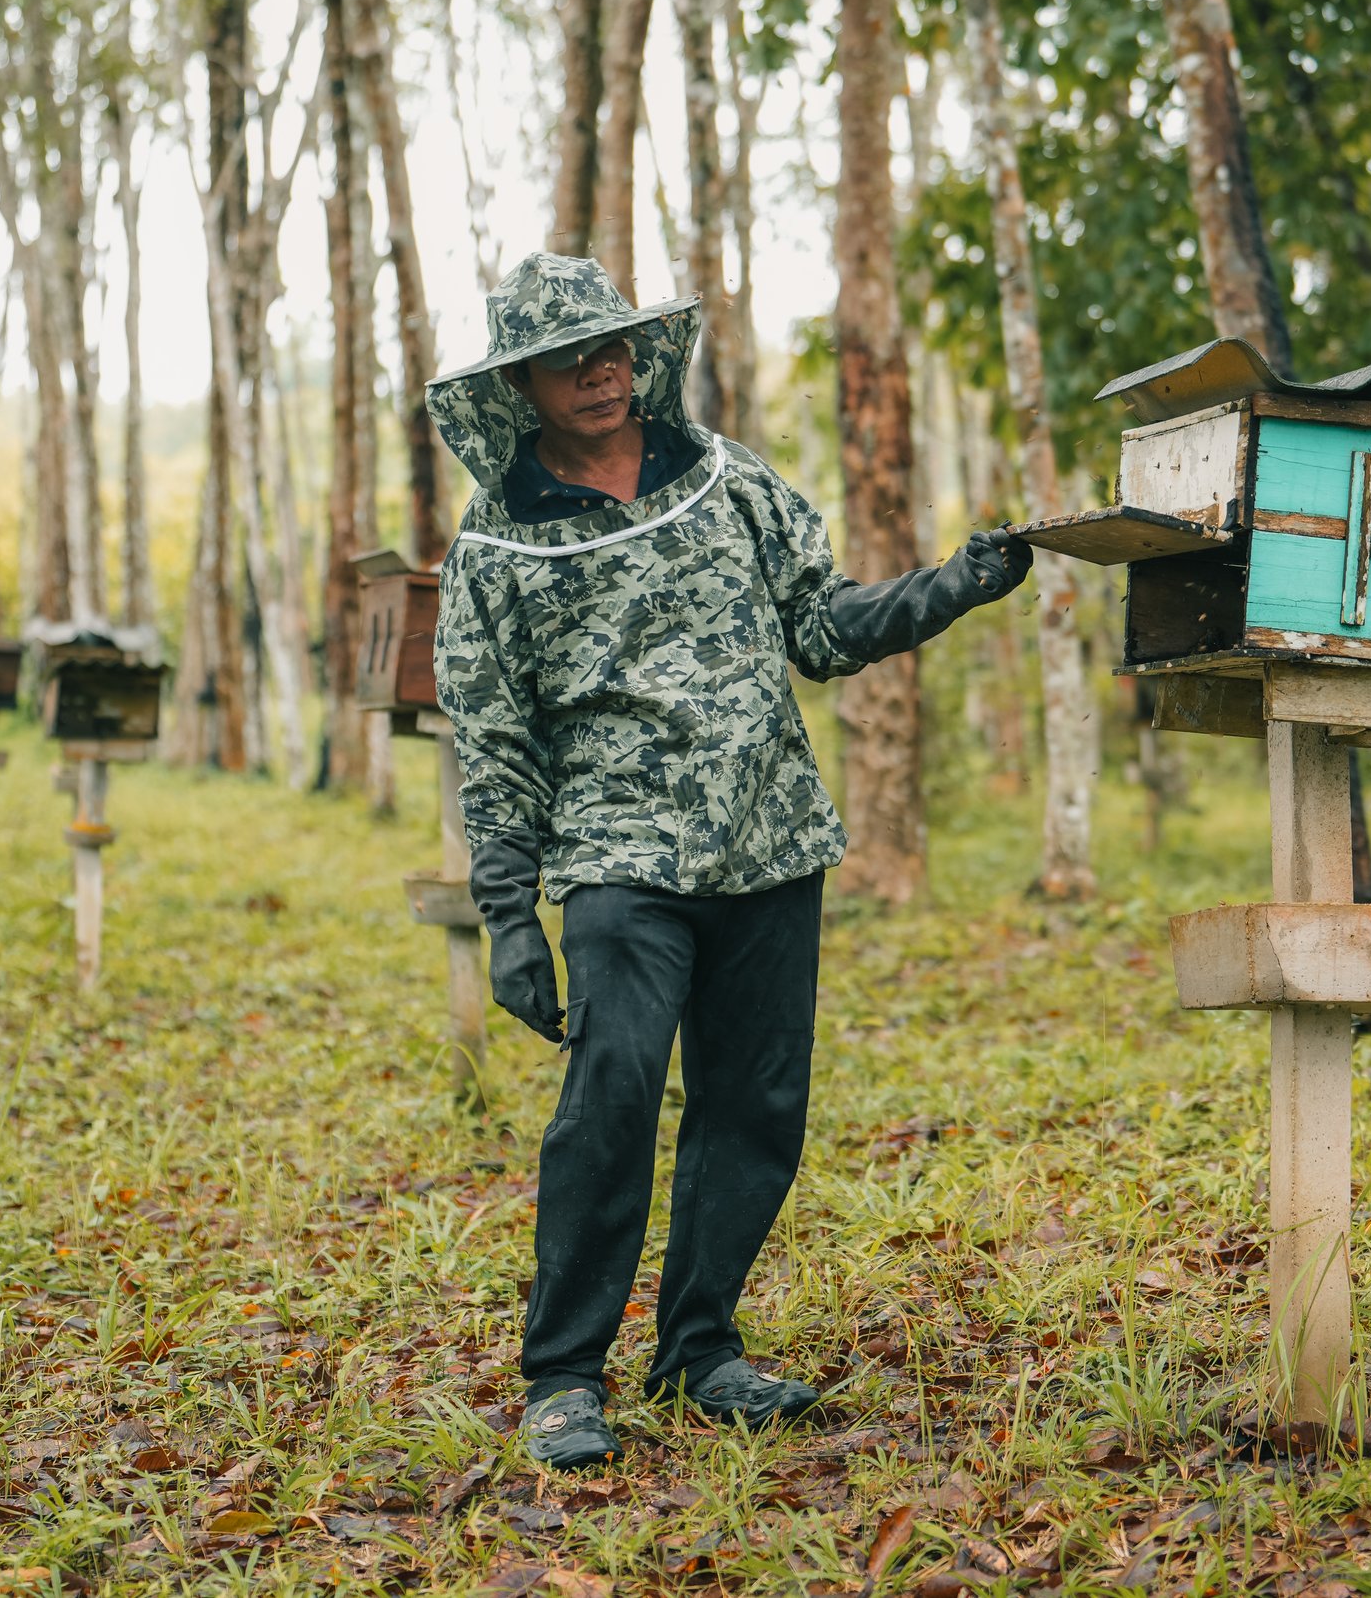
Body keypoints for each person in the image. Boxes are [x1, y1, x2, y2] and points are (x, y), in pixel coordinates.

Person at [429, 253, 1030, 1469]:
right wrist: (507, 918)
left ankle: (700, 1347)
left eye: (612, 349)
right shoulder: (497, 542)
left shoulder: (724, 477)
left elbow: (820, 623)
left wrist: (951, 589)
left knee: (754, 1103)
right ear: (524, 384)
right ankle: (563, 1374)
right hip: (617, 851)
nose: (598, 373)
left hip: (769, 839)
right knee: (613, 1088)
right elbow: (494, 741)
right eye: (566, 359)